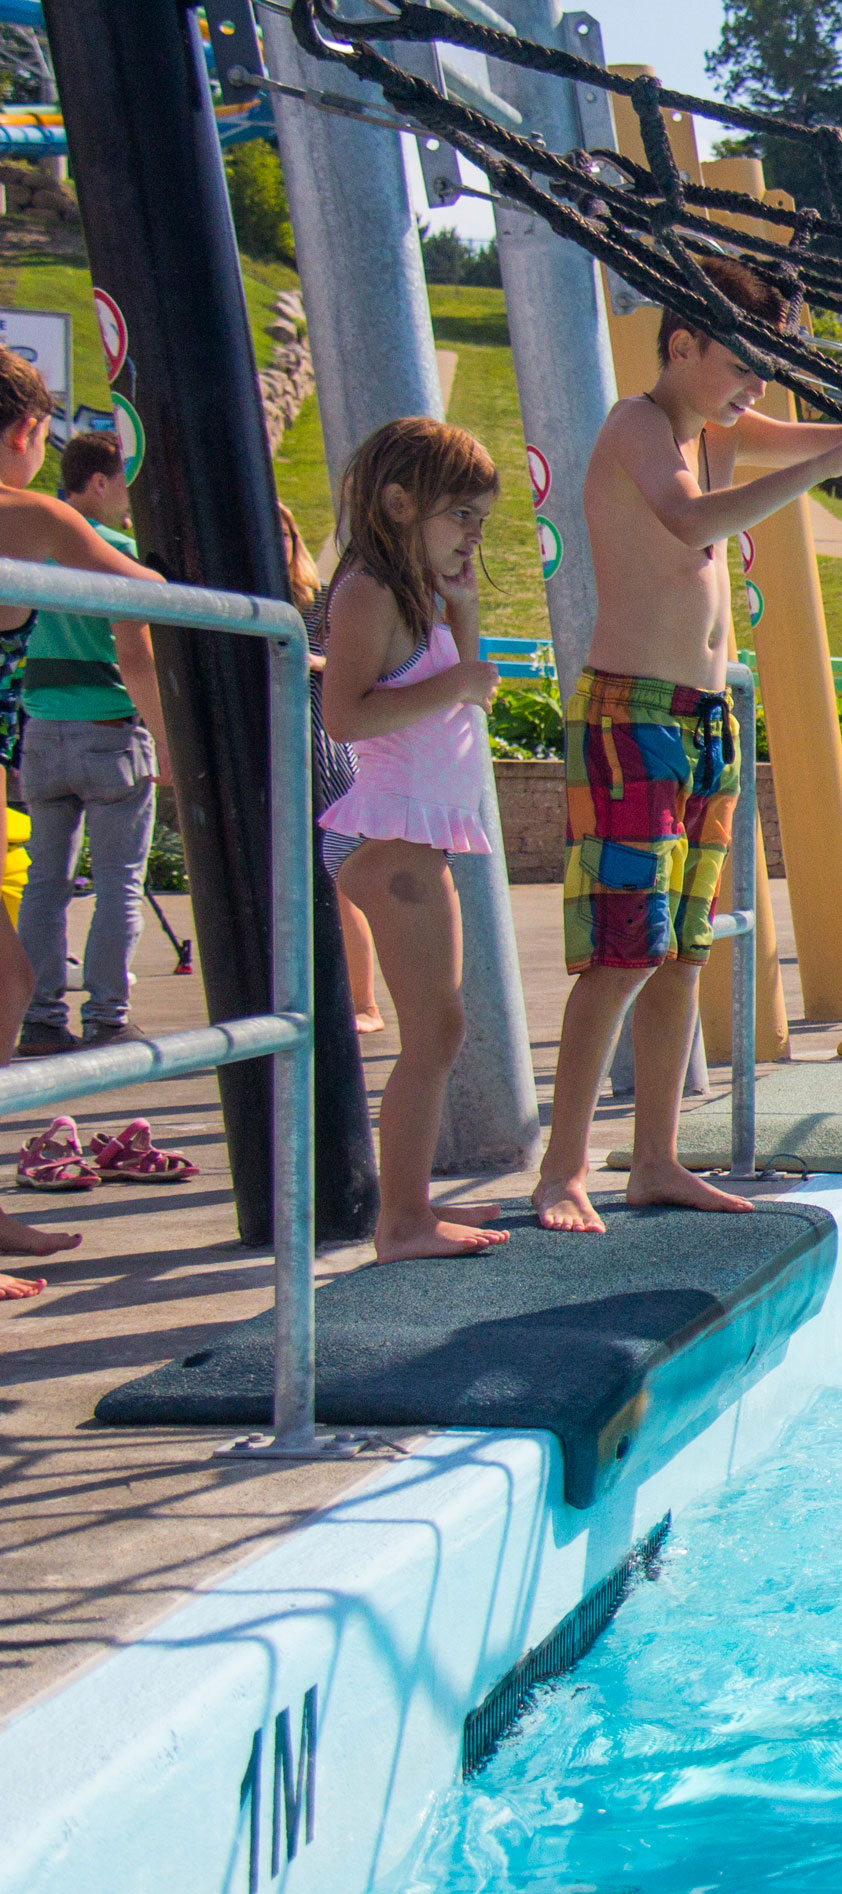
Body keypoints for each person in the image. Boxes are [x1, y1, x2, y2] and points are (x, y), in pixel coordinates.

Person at [532, 255, 842, 1233]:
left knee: (684, 952)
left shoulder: (718, 429)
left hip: (701, 718)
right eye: (743, 362)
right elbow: (690, 517)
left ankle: (653, 1156)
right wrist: (817, 467)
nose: (755, 384)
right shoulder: (640, 426)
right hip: (632, 713)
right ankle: (563, 1167)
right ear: (684, 344)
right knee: (621, 953)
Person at [314, 418, 512, 1262]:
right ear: (400, 504)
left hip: (414, 836)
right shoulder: (366, 593)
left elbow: (467, 700)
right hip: (383, 833)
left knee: (442, 1027)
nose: (475, 534)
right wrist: (458, 679)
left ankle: (409, 1213)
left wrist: (463, 619)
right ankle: (400, 1221)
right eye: (461, 515)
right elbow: (344, 714)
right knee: (432, 1029)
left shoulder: (419, 598)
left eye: (481, 519)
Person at [0, 349, 166, 1296]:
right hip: (84, 737)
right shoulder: (31, 511)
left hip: (26, 752)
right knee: (12, 973)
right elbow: (143, 595)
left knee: (14, 975)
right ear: (29, 432)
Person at [16, 429, 169, 1056]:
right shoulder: (116, 553)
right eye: (124, 485)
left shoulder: (24, 552)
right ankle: (108, 1018)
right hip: (111, 732)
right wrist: (168, 745)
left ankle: (42, 1019)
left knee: (44, 887)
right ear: (99, 482)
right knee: (118, 884)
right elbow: (137, 649)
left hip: (40, 732)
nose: (129, 501)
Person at [283, 501, 386, 1034]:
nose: (275, 543)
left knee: (343, 874)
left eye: (284, 532)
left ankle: (365, 1002)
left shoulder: (318, 598)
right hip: (278, 742)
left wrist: (310, 660)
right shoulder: (248, 599)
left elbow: (352, 659)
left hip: (323, 739)